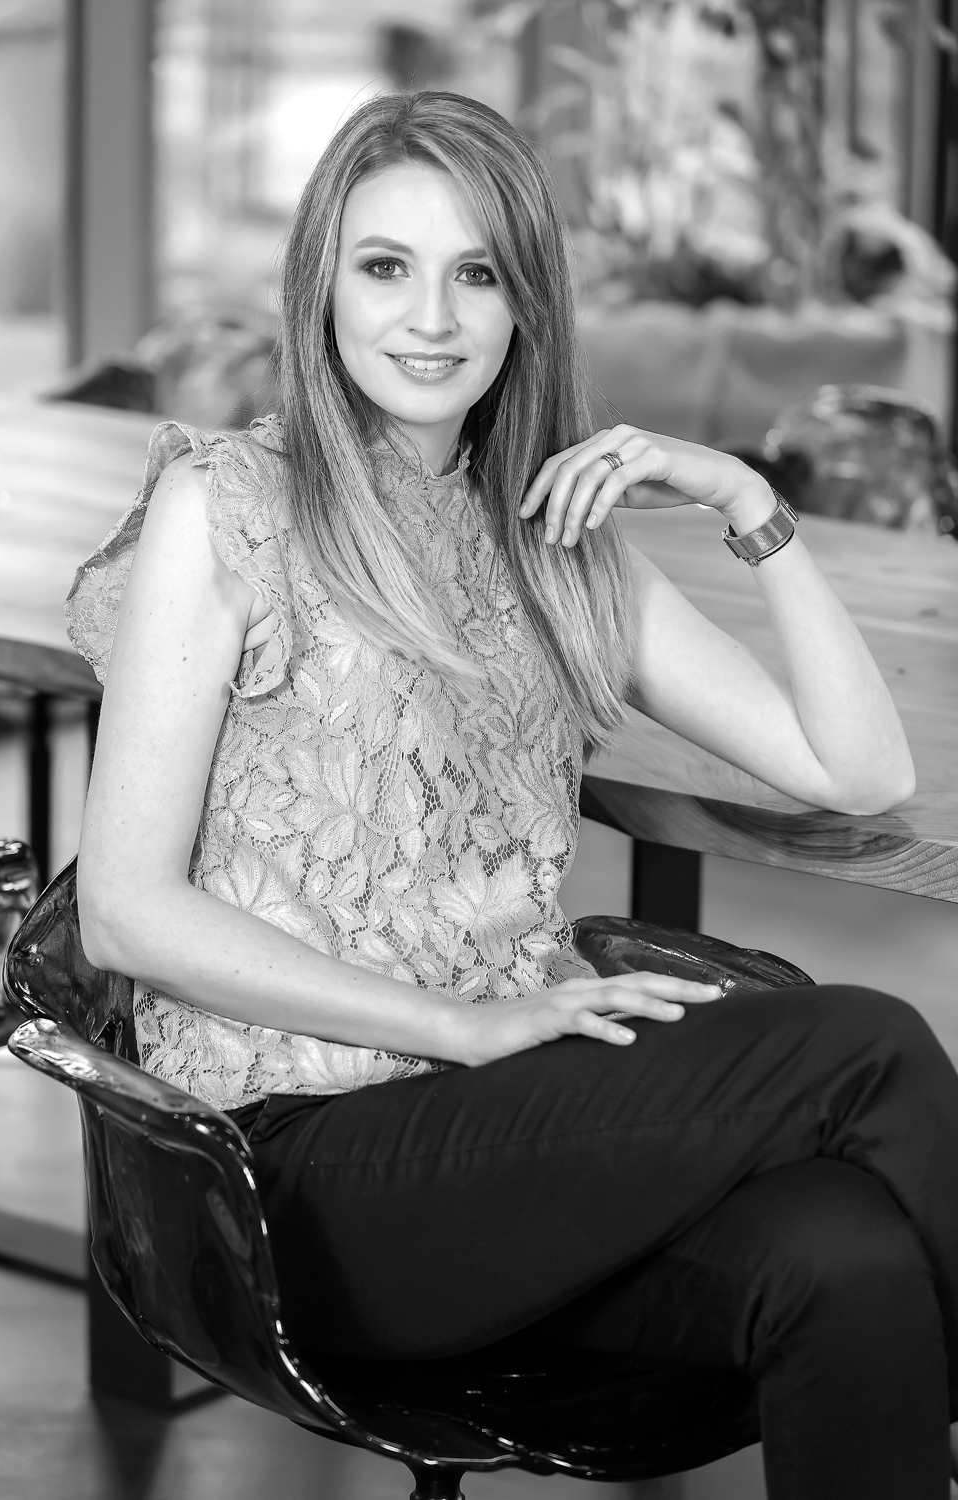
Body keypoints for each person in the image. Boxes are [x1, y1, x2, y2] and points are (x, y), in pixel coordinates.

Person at [68, 90, 958, 1500]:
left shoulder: (553, 534)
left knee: (842, 1256)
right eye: (386, 266)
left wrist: (745, 502)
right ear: (321, 285)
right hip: (291, 1175)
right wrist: (460, 1027)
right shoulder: (230, 509)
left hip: (512, 1135)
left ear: (525, 302)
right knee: (868, 1044)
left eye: (475, 272)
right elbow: (122, 911)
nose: (431, 318)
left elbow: (858, 770)